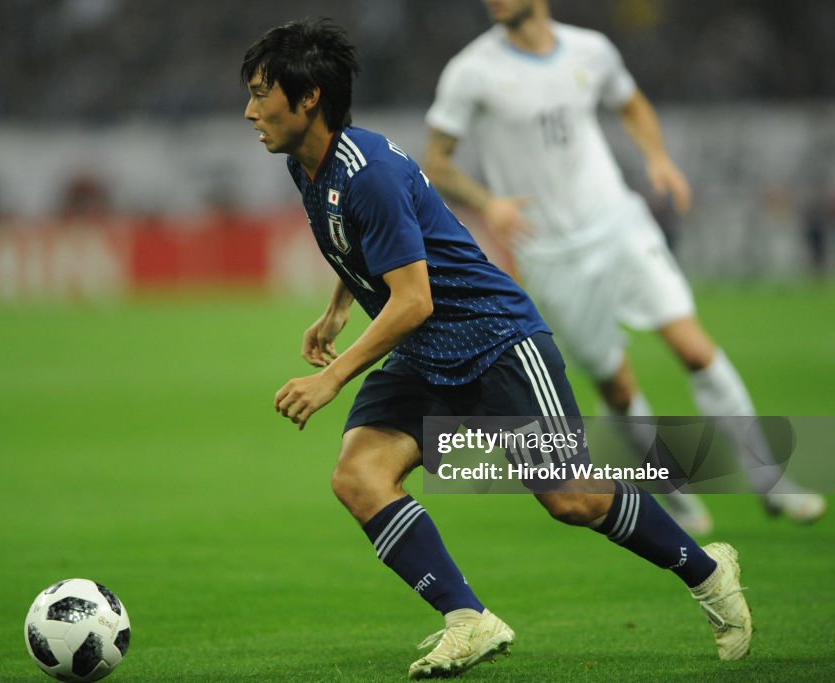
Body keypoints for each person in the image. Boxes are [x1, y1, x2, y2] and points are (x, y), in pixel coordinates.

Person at [242, 18, 751, 679]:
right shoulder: (307, 166)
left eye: (261, 93)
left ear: (307, 97)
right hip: (426, 354)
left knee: (570, 498)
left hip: (495, 339)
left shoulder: (369, 172)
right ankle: (468, 618)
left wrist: (333, 376)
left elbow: (414, 299)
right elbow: (360, 247)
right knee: (358, 475)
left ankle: (709, 572)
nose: (251, 110)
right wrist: (337, 308)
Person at [422, 0, 825, 532]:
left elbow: (631, 103)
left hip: (618, 224)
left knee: (693, 347)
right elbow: (436, 161)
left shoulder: (592, 49)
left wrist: (658, 157)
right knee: (615, 385)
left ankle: (769, 479)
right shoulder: (471, 70)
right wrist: (487, 201)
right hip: (550, 252)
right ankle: (671, 487)